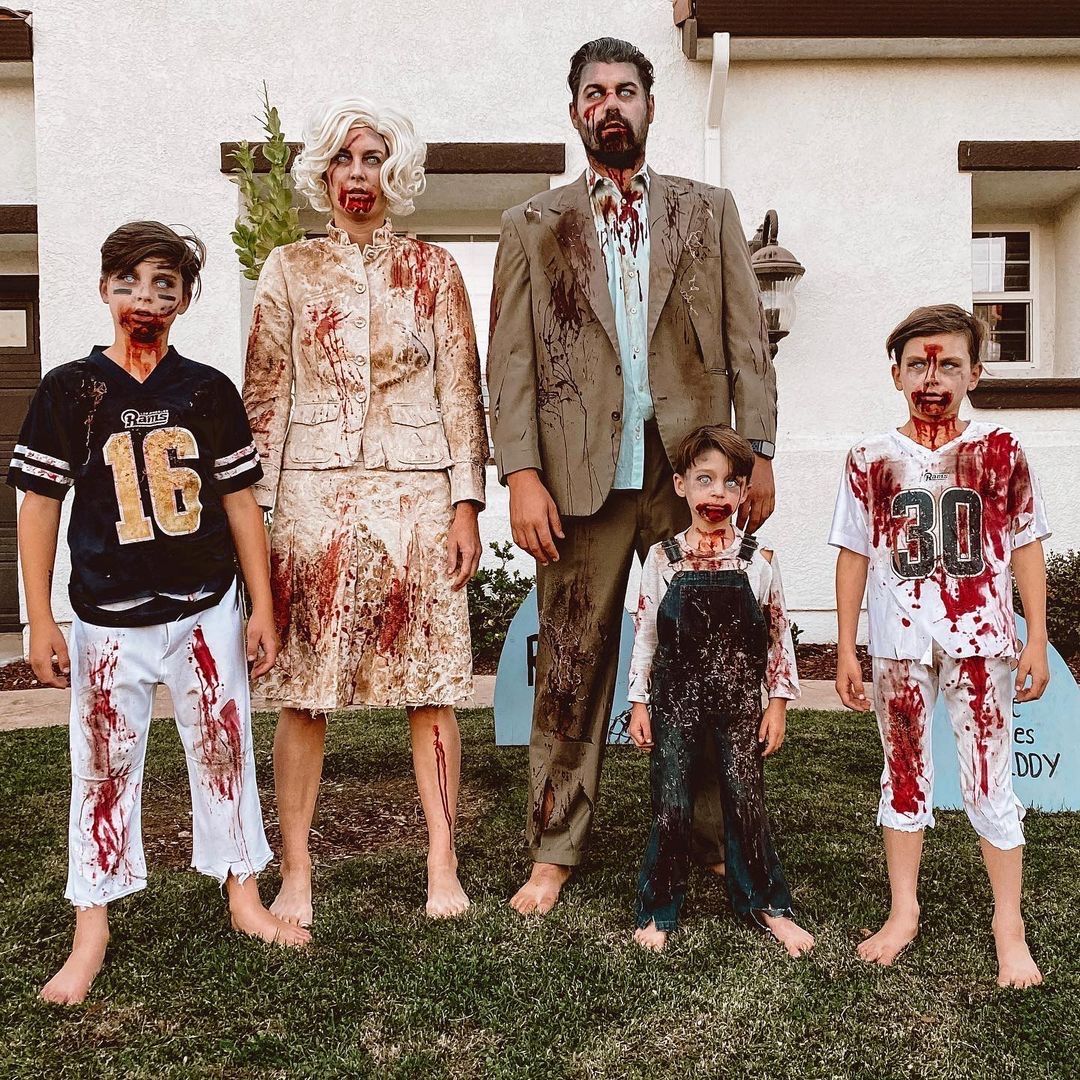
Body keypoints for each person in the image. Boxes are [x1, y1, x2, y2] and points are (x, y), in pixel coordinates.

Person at [488, 36, 778, 914]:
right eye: (594, 92)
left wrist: (759, 453)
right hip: (579, 479)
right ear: (576, 110)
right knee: (571, 662)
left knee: (709, 655)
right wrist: (521, 473)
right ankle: (554, 847)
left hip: (696, 474)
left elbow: (747, 340)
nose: (609, 105)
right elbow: (511, 364)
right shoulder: (531, 224)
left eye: (625, 90)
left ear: (650, 106)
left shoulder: (708, 211)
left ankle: (706, 835)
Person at [9, 221, 309, 1005]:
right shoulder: (69, 389)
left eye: (163, 286)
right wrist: (40, 616)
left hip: (203, 606)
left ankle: (243, 894)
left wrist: (261, 605)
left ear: (184, 300)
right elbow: (39, 505)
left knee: (224, 749)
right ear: (104, 289)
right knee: (102, 767)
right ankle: (92, 926)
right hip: (107, 616)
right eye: (130, 282)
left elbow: (240, 502)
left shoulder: (205, 390)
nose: (145, 299)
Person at [243, 98, 489, 925]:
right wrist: (259, 517)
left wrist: (466, 503)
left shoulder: (434, 269)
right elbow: (265, 395)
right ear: (322, 172)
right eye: (343, 159)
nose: (358, 174)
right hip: (311, 498)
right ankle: (297, 870)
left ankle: (442, 862)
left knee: (431, 682)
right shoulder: (287, 268)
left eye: (373, 158)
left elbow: (460, 389)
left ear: (396, 171)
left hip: (419, 494)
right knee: (303, 688)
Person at [829, 303, 1049, 988]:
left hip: (981, 639)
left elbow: (1026, 542)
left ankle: (1008, 924)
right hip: (899, 644)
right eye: (918, 365)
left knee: (990, 780)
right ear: (895, 373)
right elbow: (853, 553)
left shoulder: (1001, 450)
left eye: (949, 364)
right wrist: (846, 646)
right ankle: (904, 911)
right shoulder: (870, 458)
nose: (932, 378)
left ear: (975, 373)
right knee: (903, 775)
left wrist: (1037, 635)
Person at [626, 425, 811, 955]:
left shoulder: (759, 561)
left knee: (746, 799)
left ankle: (766, 903)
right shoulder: (662, 560)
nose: (717, 494)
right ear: (680, 485)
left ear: (745, 491)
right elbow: (646, 634)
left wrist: (776, 704)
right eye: (704, 480)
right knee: (671, 802)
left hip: (738, 704)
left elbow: (778, 637)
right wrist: (639, 702)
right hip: (675, 701)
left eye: (731, 483)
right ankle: (659, 907)